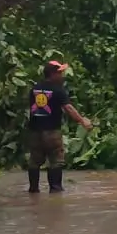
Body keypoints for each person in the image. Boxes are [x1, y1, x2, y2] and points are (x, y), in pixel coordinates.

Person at [28, 60, 93, 193]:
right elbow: (68, 108)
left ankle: (33, 190)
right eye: (60, 73)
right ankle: (55, 190)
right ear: (52, 74)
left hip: (35, 132)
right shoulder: (58, 90)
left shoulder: (34, 88)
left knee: (34, 161)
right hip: (52, 132)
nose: (63, 75)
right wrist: (82, 121)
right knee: (56, 160)